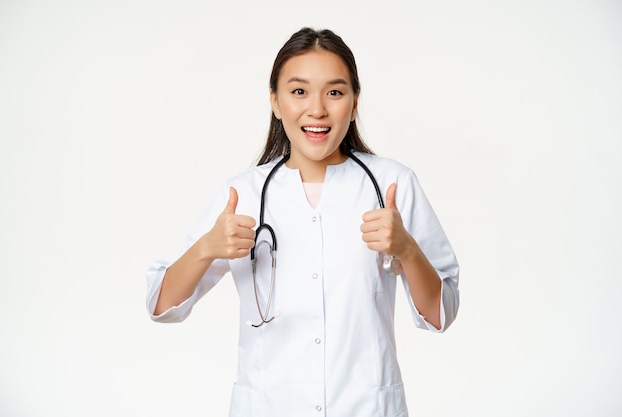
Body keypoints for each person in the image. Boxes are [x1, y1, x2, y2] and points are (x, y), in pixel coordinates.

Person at [146, 27, 459, 417]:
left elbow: (440, 314)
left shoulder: (394, 184)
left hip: (364, 407)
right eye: (298, 92)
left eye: (335, 91)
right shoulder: (243, 193)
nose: (317, 110)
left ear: (354, 102)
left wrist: (408, 250)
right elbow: (161, 304)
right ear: (275, 102)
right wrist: (206, 248)